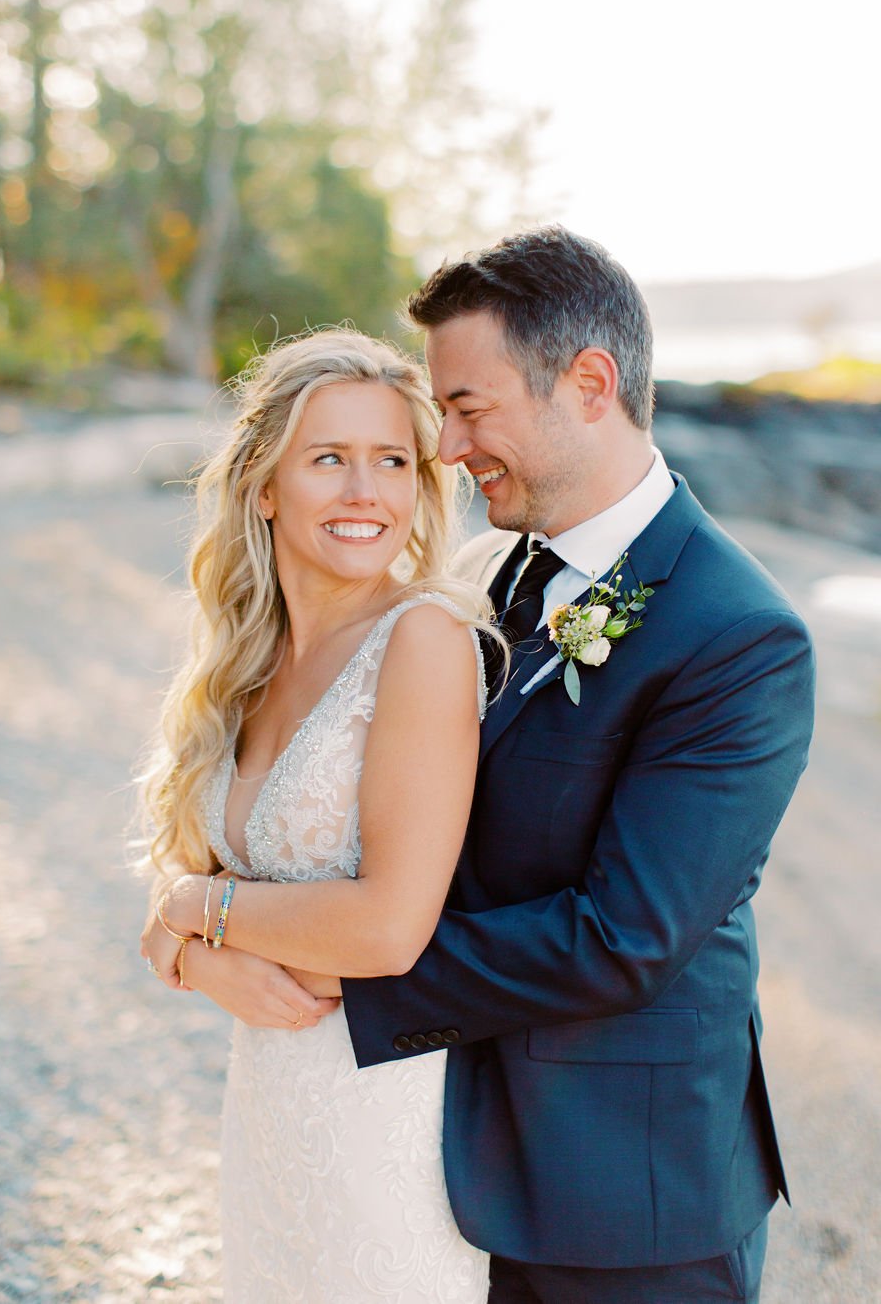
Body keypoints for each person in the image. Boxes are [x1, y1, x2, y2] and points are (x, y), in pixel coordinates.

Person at [337, 227, 816, 1303]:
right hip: (451, 1148)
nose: (448, 448)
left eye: (468, 406)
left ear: (588, 384)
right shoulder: (501, 573)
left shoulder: (738, 635)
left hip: (628, 1198)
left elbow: (623, 937)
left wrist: (343, 963)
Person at [138, 328, 503, 1302]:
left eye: (391, 461)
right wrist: (196, 939)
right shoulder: (246, 662)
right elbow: (197, 880)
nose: (364, 493)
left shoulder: (422, 642)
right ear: (264, 485)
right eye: (328, 459)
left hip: (383, 1124)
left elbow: (386, 928)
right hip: (268, 1109)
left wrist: (193, 916)